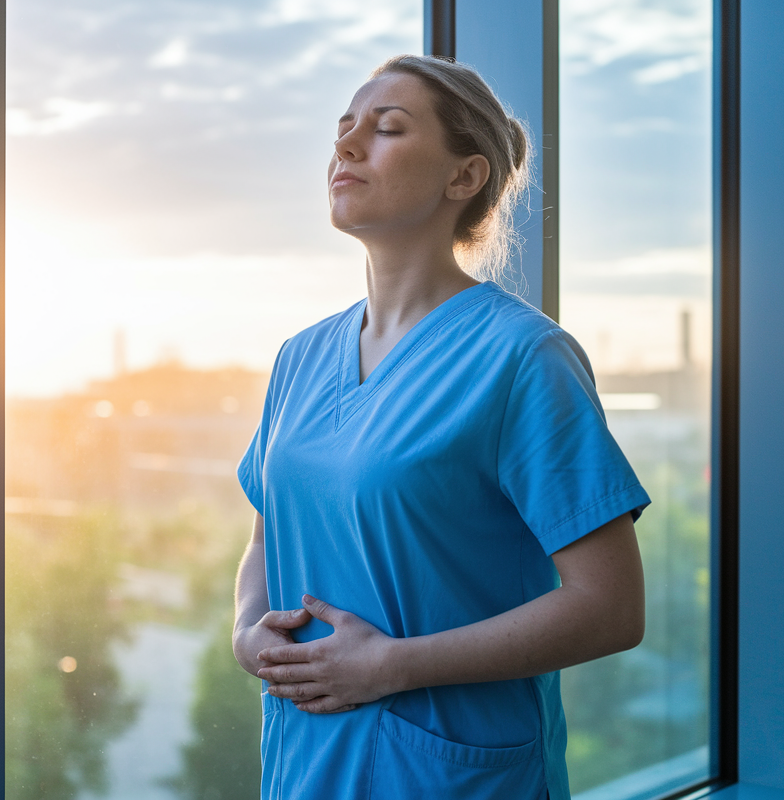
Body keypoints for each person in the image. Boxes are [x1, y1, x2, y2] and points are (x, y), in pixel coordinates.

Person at [231, 54, 649, 800]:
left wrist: (393, 665)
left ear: (465, 178)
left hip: (453, 776)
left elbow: (609, 607)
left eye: (387, 128)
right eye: (344, 129)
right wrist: (247, 629)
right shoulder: (300, 357)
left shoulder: (524, 358)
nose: (349, 145)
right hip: (307, 765)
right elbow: (268, 535)